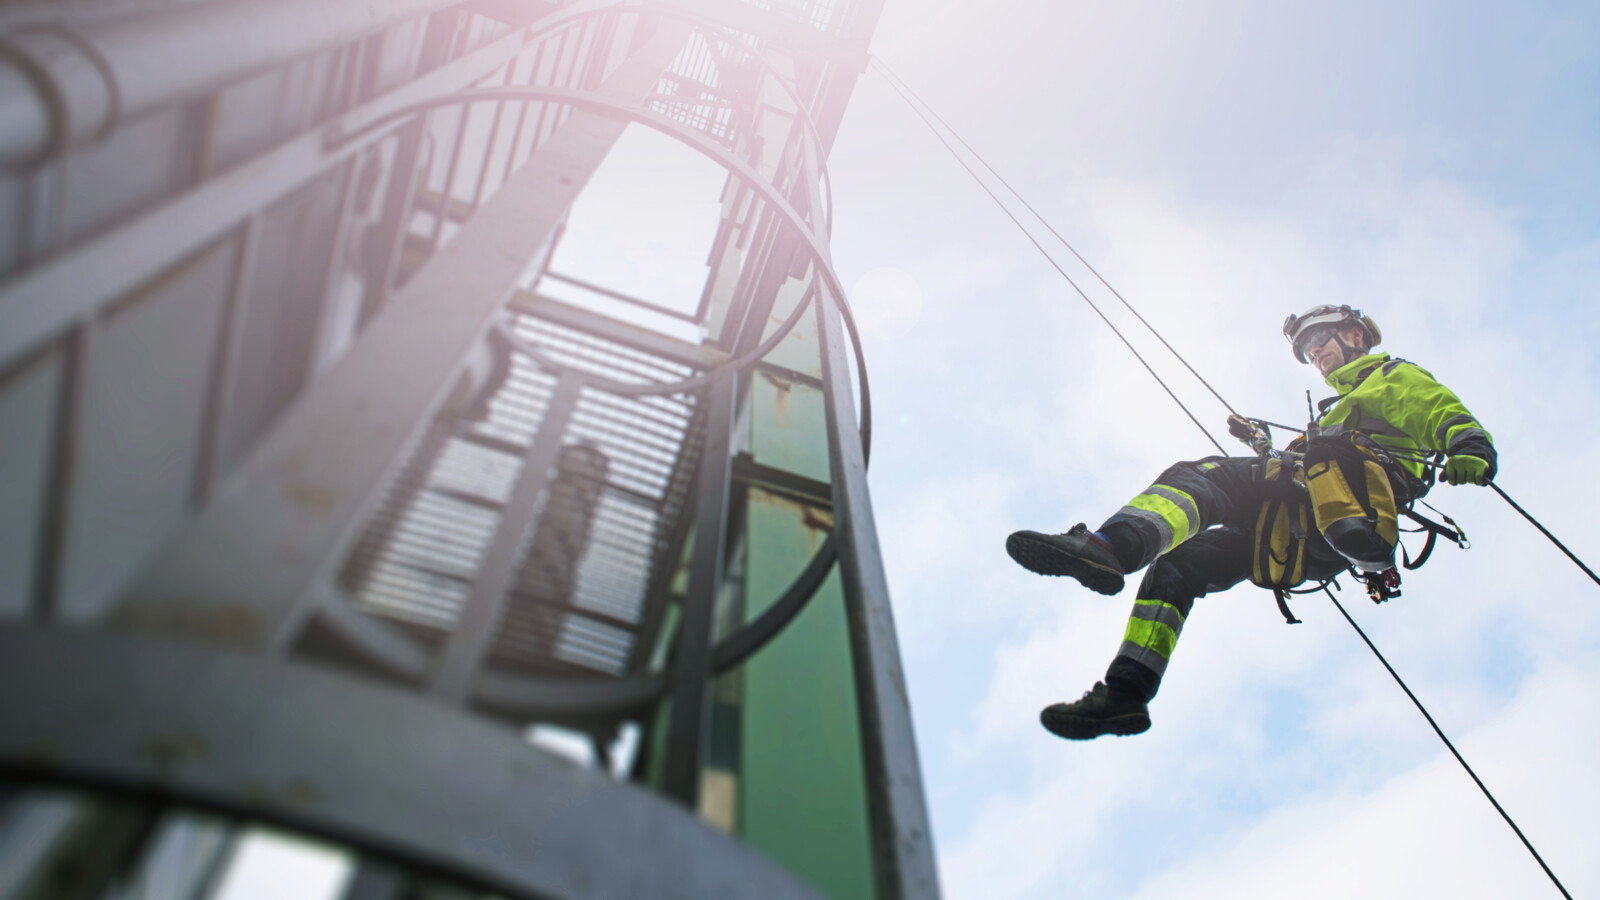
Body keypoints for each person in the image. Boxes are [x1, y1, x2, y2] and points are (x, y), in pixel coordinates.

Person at [1008, 304, 1497, 741]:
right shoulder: (1340, 409)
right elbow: (1306, 472)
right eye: (1307, 349)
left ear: (1354, 336)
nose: (1315, 353)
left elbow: (1436, 409)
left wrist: (1469, 446)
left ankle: (1110, 548)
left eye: (1320, 340)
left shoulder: (1387, 378)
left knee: (1202, 478)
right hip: (1313, 529)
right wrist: (1262, 445)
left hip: (1340, 505)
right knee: (1178, 567)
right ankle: (1126, 694)